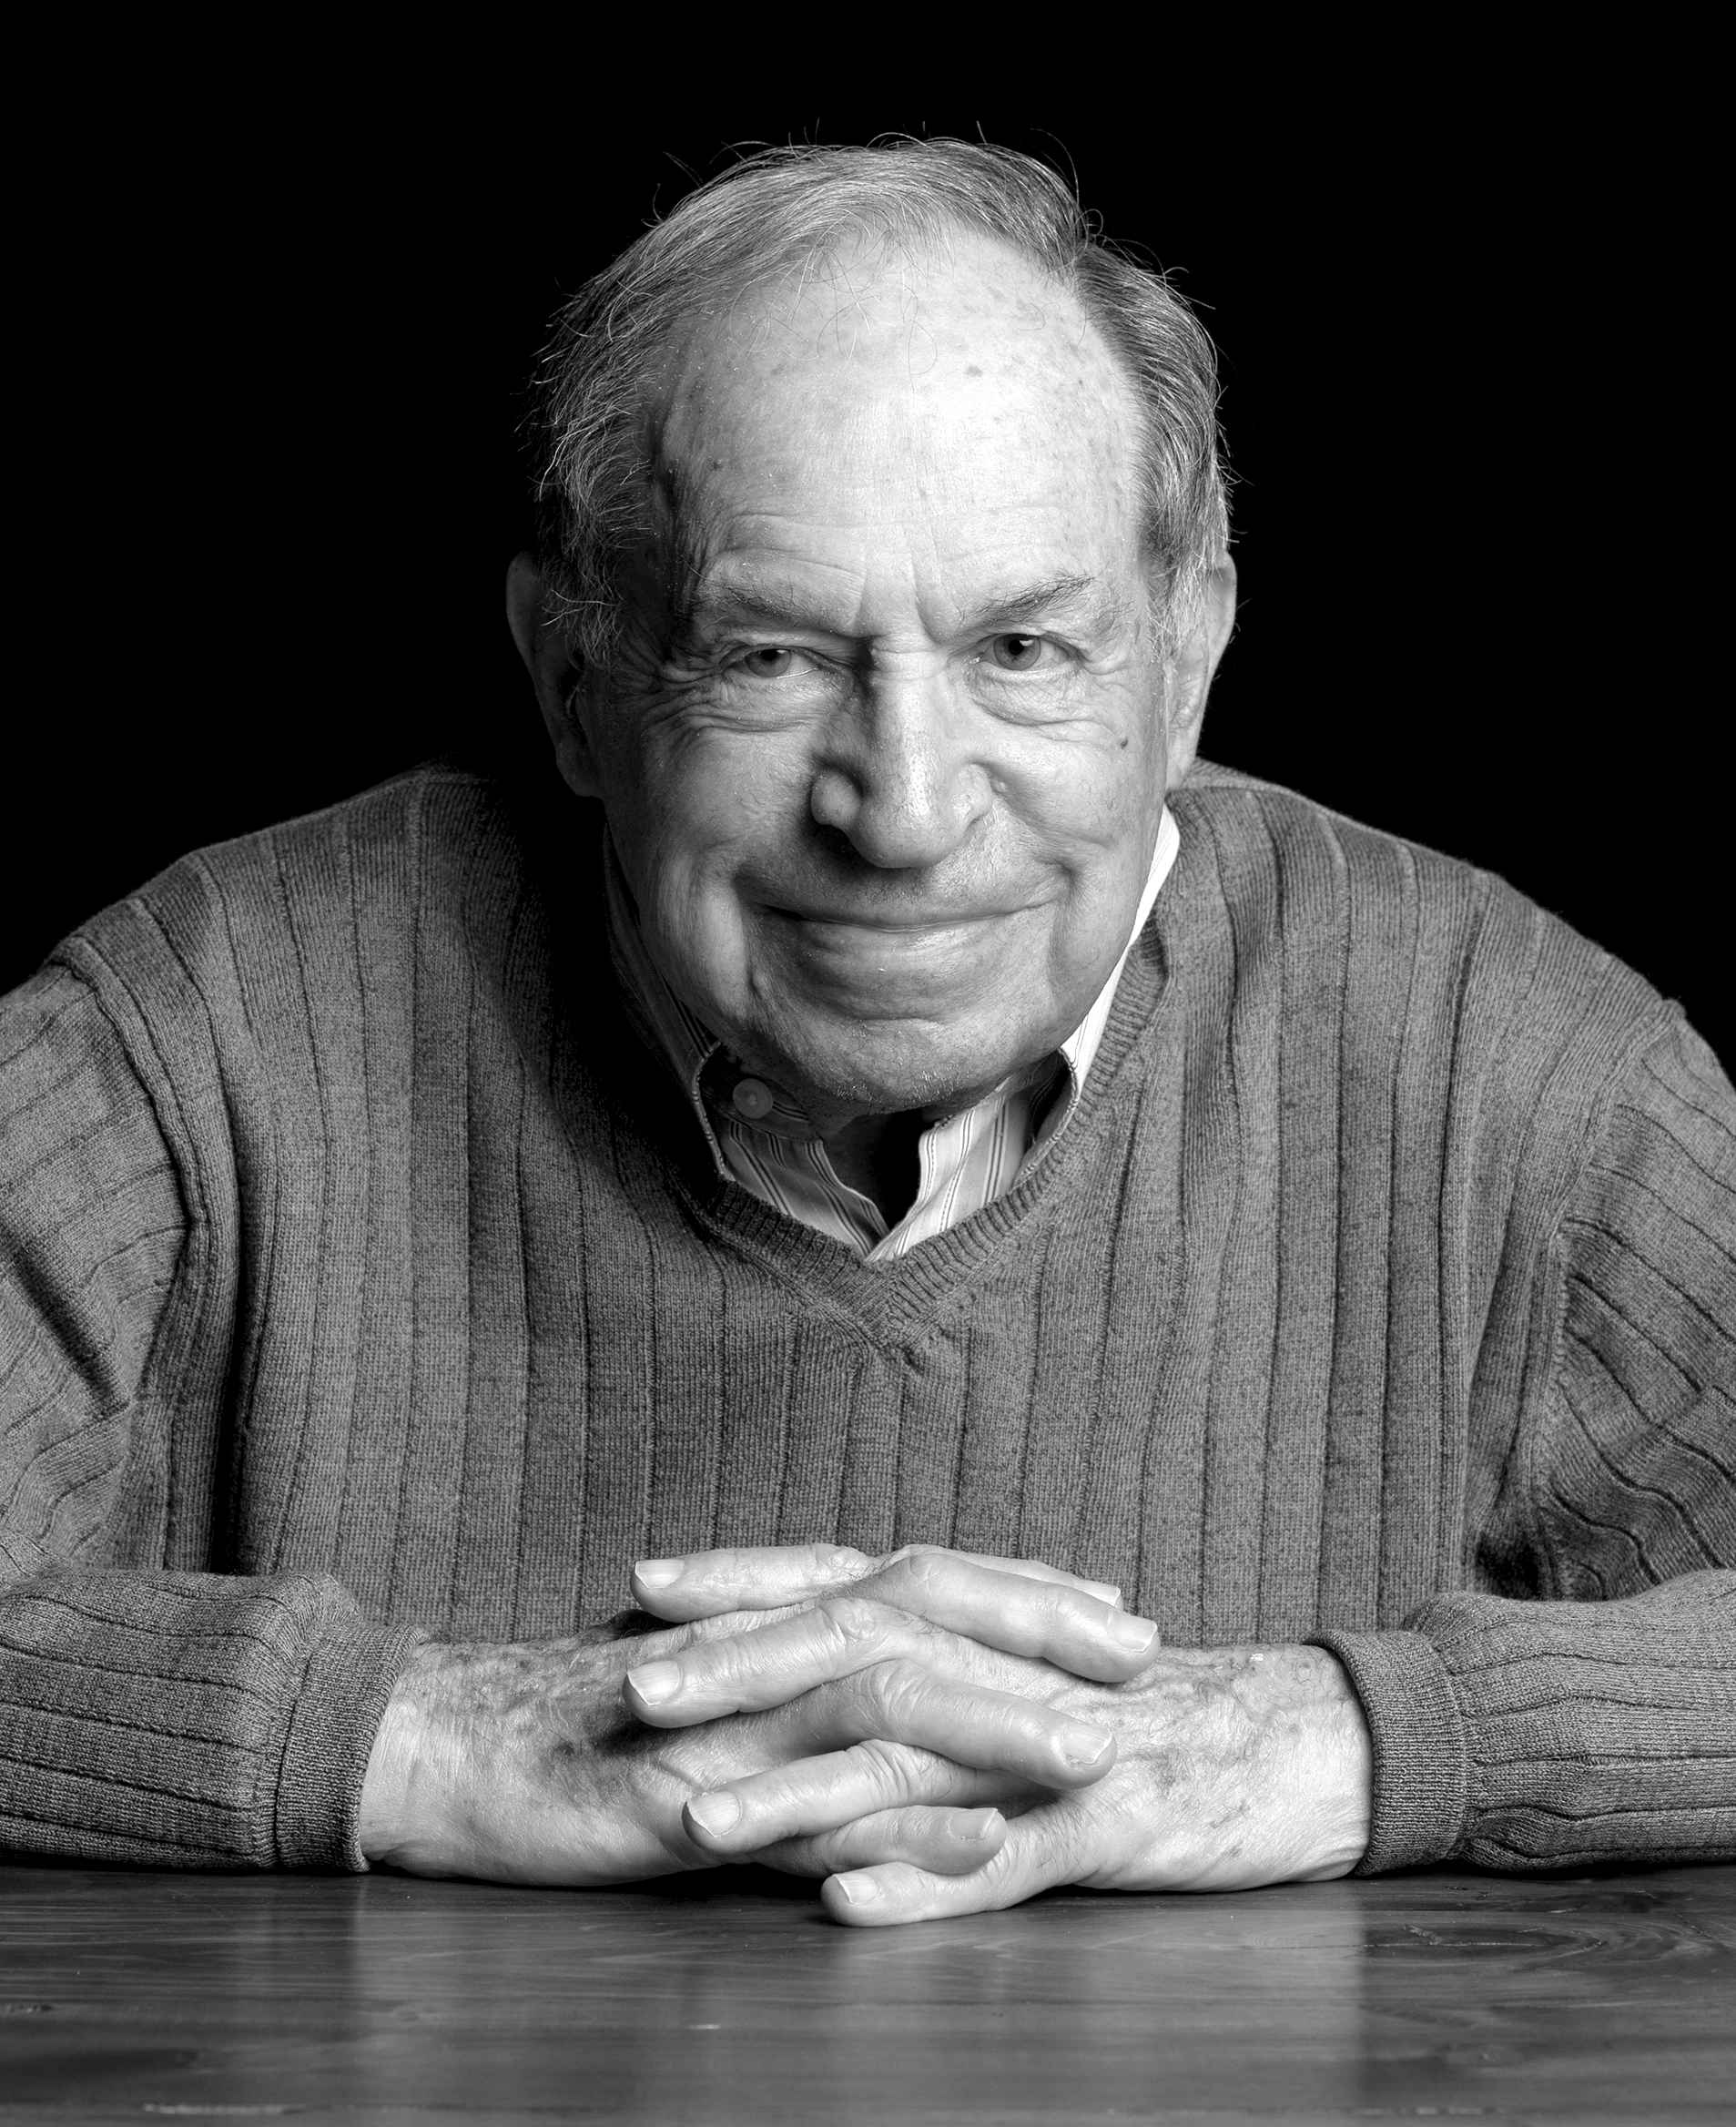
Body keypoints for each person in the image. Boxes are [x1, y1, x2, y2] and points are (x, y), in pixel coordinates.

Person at [2, 141, 1731, 1927]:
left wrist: (1333, 1737)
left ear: (1186, 654)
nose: (901, 810)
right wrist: (427, 1737)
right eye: (768, 655)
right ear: (572, 682)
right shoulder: (204, 1033)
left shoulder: (1513, 1073)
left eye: (1021, 649)